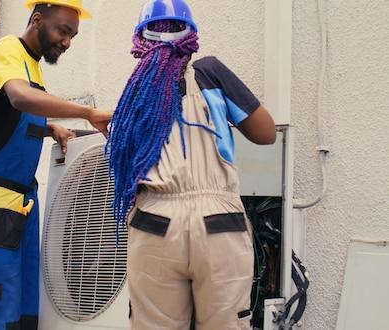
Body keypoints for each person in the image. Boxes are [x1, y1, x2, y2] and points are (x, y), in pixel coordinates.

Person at [106, 0, 276, 329]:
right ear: (191, 38)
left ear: (140, 41)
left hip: (154, 225)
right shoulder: (210, 73)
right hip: (219, 225)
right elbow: (266, 134)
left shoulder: (136, 93)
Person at [0, 1, 111, 329]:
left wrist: (49, 128)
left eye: (73, 35)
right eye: (63, 30)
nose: (67, 41)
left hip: (24, 202)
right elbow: (19, 98)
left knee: (25, 299)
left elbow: (11, 118)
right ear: (37, 19)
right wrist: (86, 112)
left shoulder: (32, 65)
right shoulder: (7, 49)